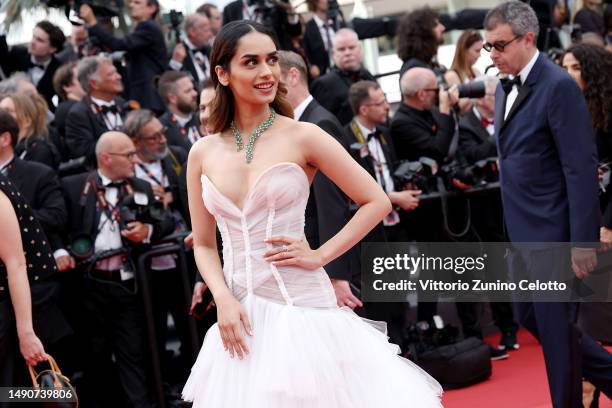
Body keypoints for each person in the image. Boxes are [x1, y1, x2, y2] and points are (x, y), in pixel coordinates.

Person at [182, 20, 442, 407]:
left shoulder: (305, 135)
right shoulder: (201, 152)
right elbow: (204, 243)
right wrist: (223, 298)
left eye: (271, 59)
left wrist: (321, 255)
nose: (267, 71)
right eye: (250, 62)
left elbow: (376, 200)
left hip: (302, 307)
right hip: (239, 314)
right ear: (222, 73)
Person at [484, 2, 612, 405]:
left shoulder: (557, 86)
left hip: (554, 236)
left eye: (499, 45)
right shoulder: (505, 89)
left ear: (528, 38)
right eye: (488, 47)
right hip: (520, 235)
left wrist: (583, 241)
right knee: (530, 320)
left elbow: (580, 168)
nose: (493, 55)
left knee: (558, 342)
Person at [59, 131, 174, 407]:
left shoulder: (142, 188)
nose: (135, 161)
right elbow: (54, 226)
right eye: (129, 155)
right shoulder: (73, 186)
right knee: (94, 356)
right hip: (87, 286)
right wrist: (61, 251)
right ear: (106, 158)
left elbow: (166, 221)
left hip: (127, 286)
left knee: (132, 353)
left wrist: (147, 229)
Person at [79, 0, 168, 113]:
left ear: (152, 8)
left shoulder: (147, 27)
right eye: (131, 2)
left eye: (137, 3)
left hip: (148, 98)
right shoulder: (147, 27)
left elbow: (118, 44)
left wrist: (92, 22)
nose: (131, 5)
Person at [64, 55, 127, 165]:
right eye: (111, 74)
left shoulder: (122, 103)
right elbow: (83, 151)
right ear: (94, 83)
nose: (118, 77)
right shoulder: (79, 114)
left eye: (116, 72)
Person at [310, 28, 377, 125]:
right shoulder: (323, 84)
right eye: (341, 49)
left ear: (360, 49)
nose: (347, 53)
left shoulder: (367, 76)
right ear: (333, 54)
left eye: (351, 47)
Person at [0, 21, 66, 111]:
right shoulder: (17, 53)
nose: (32, 42)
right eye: (33, 37)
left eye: (40, 40)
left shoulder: (59, 69)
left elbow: (62, 99)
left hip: (42, 112)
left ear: (53, 49)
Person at [0, 92, 60, 169]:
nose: (1, 116)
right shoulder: (9, 150)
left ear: (27, 120)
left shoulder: (39, 151)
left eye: (7, 111)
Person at [396, 7, 446, 81]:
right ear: (422, 32)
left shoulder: (429, 64)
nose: (443, 28)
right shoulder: (414, 69)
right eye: (435, 25)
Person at [158, 71, 201, 152]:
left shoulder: (202, 117)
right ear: (172, 98)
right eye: (188, 91)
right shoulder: (163, 130)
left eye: (193, 89)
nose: (195, 93)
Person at [169, 13, 214, 89]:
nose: (211, 35)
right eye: (206, 30)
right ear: (192, 32)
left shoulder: (210, 49)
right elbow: (168, 83)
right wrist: (175, 62)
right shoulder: (177, 53)